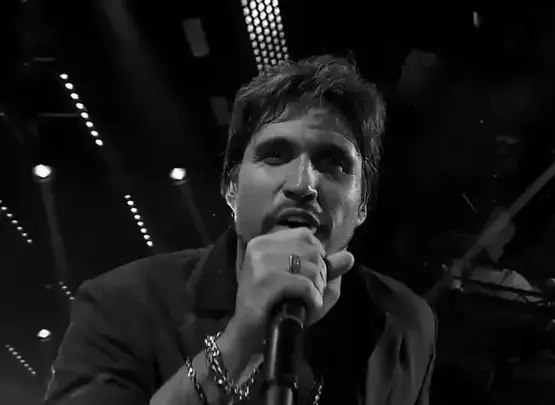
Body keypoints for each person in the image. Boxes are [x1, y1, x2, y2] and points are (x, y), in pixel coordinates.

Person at [44, 55, 437, 405]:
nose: (302, 184)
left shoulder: (406, 323)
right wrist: (241, 341)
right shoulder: (122, 304)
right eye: (275, 154)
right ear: (230, 187)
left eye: (333, 161)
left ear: (363, 204)